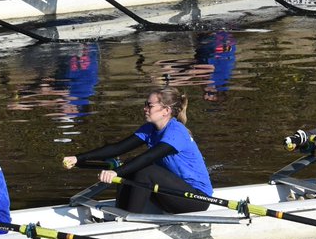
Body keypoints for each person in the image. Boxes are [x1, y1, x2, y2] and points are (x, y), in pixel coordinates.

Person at [62, 87, 213, 214]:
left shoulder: (176, 132)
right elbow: (117, 148)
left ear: (166, 110)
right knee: (129, 164)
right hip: (171, 193)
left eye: (149, 105)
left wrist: (115, 172)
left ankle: (130, 219)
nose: (145, 108)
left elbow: (147, 158)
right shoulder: (150, 129)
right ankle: (121, 213)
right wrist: (78, 158)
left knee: (144, 170)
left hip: (196, 199)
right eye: (145, 104)